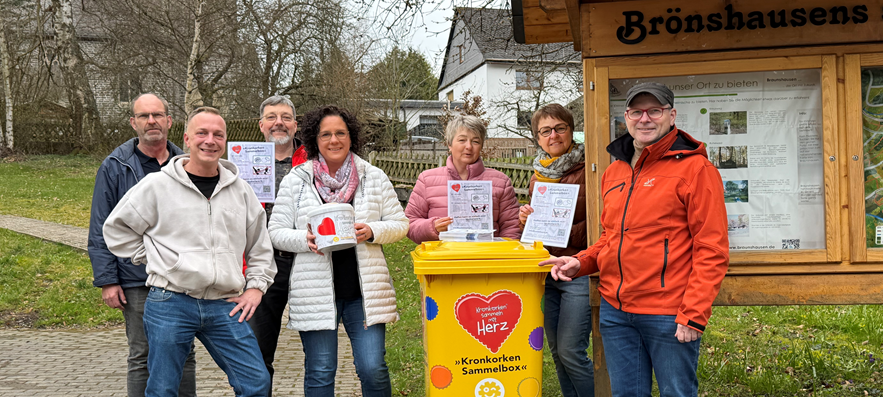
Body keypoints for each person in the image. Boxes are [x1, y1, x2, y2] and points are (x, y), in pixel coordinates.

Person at [540, 83, 729, 397]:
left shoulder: (696, 170)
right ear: (625, 117)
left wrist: (694, 314)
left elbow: (712, 248)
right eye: (637, 112)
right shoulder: (615, 171)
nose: (645, 119)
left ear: (672, 116)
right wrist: (580, 261)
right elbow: (611, 238)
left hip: (668, 313)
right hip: (617, 312)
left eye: (654, 110)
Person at [103, 107, 277, 397]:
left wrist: (256, 288)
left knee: (256, 383)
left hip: (225, 303)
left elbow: (260, 246)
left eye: (217, 134)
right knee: (163, 389)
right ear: (187, 138)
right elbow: (116, 230)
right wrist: (158, 260)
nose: (210, 140)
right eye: (202, 133)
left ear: (225, 142)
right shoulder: (157, 185)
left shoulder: (242, 190)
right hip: (171, 301)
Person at [268, 105, 408, 397]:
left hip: (364, 293)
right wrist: (303, 239)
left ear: (351, 137)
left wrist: (372, 231)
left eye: (340, 133)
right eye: (326, 134)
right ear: (314, 139)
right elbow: (276, 231)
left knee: (373, 368)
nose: (334, 140)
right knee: (320, 371)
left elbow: (400, 224)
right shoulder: (297, 180)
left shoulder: (373, 176)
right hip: (315, 293)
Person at [87, 92, 196, 397]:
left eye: (158, 115)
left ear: (169, 121)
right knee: (142, 355)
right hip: (137, 279)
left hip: (181, 277)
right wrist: (108, 280)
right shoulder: (115, 166)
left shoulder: (186, 163)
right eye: (145, 116)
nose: (152, 121)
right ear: (133, 122)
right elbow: (100, 226)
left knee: (184, 353)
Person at [518, 104, 594, 397]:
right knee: (557, 353)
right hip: (547, 272)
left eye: (560, 128)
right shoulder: (539, 174)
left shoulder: (591, 167)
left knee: (572, 351)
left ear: (571, 131)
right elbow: (535, 230)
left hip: (577, 270)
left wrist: (561, 231)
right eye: (545, 131)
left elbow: (600, 224)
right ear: (537, 138)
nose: (553, 135)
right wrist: (528, 219)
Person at [247, 95, 306, 395]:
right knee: (257, 354)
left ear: (295, 125)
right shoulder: (241, 162)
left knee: (320, 357)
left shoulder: (314, 160)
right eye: (271, 117)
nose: (278, 122)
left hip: (308, 262)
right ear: (261, 125)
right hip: (261, 265)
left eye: (285, 117)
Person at [404, 114, 520, 243]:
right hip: (442, 258)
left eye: (475, 141)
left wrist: (502, 256)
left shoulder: (500, 182)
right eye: (462, 140)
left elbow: (511, 227)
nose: (469, 146)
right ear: (449, 144)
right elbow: (409, 224)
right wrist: (433, 227)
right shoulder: (427, 179)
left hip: (486, 259)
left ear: (481, 146)